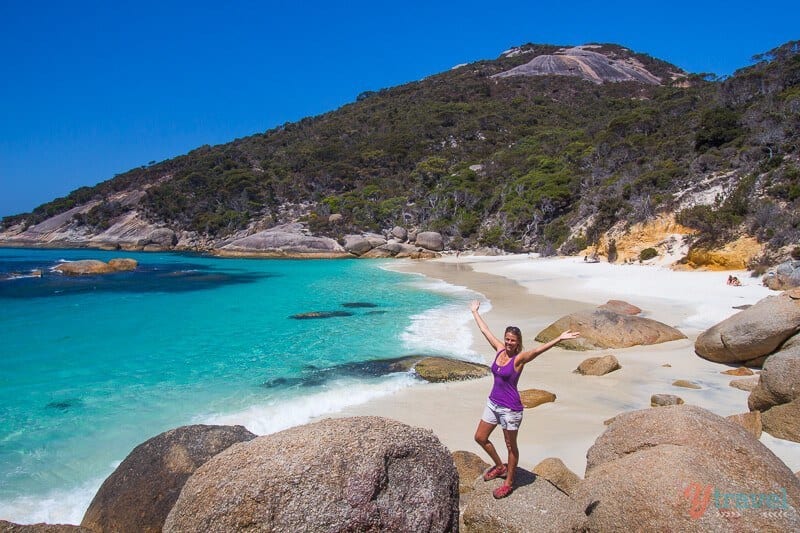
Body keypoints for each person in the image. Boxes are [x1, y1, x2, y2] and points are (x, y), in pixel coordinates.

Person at [469, 300, 580, 499]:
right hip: (492, 403)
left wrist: (559, 338)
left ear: (518, 342)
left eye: (513, 340)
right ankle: (500, 466)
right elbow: (485, 331)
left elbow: (537, 351)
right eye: (507, 339)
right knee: (480, 437)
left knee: (511, 446)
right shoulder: (499, 349)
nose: (509, 343)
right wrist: (475, 312)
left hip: (510, 409)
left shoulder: (518, 359)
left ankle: (509, 483)